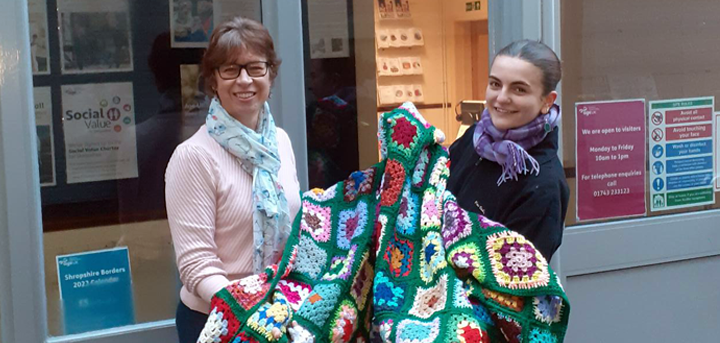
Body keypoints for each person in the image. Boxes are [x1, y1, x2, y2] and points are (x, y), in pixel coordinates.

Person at [165, 17, 301, 343]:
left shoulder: (280, 141)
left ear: (271, 74)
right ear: (213, 80)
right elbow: (197, 265)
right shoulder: (194, 157)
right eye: (230, 69)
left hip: (280, 314)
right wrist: (250, 313)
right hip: (218, 320)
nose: (244, 80)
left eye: (255, 68)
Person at [447, 40, 569, 261]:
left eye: (519, 89)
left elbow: (513, 283)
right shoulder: (474, 138)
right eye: (495, 84)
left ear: (547, 101)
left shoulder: (543, 186)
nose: (501, 98)